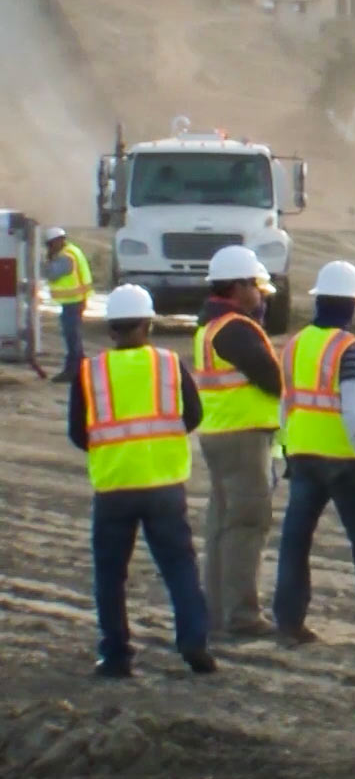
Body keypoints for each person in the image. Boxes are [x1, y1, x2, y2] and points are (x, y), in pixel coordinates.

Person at [72, 284, 218, 678]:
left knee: (110, 575)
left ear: (111, 328)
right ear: (147, 324)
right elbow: (194, 415)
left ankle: (116, 655)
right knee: (179, 569)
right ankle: (193, 642)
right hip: (164, 485)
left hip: (114, 486)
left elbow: (77, 432)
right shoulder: (169, 364)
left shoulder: (90, 372)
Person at [272, 261, 355, 646]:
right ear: (350, 304)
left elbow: (286, 402)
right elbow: (352, 406)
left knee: (295, 541)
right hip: (342, 459)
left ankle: (289, 620)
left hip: (302, 454)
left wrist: (283, 447)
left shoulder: (296, 344)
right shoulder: (347, 348)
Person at [192, 245, 284, 639]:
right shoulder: (234, 328)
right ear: (238, 286)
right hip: (242, 437)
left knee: (222, 525)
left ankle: (216, 612)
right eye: (256, 287)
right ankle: (242, 615)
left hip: (219, 433)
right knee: (248, 523)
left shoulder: (209, 326)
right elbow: (271, 378)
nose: (261, 295)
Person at [44, 226, 92, 382]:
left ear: (56, 242)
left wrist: (49, 259)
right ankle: (81, 368)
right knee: (74, 337)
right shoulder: (72, 251)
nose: (50, 248)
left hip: (73, 301)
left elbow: (52, 275)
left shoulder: (65, 256)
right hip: (76, 300)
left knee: (72, 338)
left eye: (50, 245)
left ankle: (73, 371)